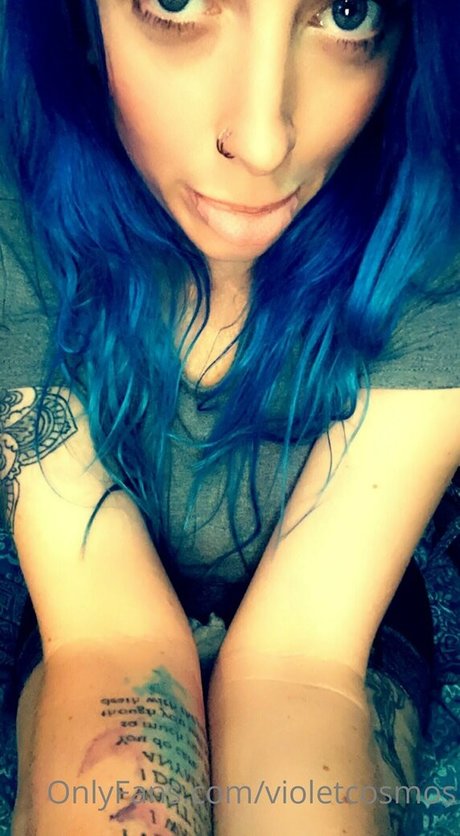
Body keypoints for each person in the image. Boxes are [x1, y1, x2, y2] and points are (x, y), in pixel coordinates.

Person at [0, 0, 459, 834]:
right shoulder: (17, 195)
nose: (263, 139)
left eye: (347, 12)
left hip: (342, 610)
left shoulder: (430, 229)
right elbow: (100, 621)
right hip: (91, 596)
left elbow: (306, 653)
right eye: (177, 3)